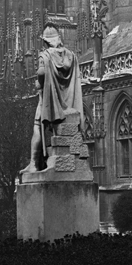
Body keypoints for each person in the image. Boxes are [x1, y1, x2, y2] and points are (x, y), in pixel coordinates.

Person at [21, 24, 84, 173]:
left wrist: (39, 82)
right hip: (68, 103)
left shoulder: (46, 55)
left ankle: (34, 164)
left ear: (46, 41)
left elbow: (42, 72)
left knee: (37, 126)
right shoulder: (71, 55)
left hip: (49, 100)